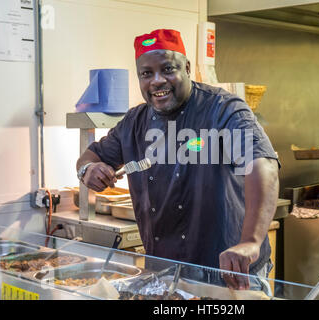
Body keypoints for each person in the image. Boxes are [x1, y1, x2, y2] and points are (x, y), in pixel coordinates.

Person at [76, 29, 280, 290]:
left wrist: (250, 242)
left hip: (229, 272)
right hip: (165, 274)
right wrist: (88, 169)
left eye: (168, 69)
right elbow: (90, 156)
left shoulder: (223, 109)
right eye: (146, 74)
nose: (157, 81)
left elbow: (263, 165)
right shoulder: (133, 122)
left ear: (186, 67)